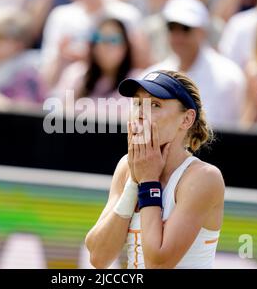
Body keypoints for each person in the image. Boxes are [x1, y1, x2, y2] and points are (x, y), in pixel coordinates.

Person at [85, 70, 225, 269]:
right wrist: (134, 183)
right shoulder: (127, 167)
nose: (141, 112)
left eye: (155, 105)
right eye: (138, 104)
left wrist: (149, 181)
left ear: (186, 119)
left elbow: (158, 264)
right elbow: (98, 257)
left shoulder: (203, 177)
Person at [147, 0, 246, 127]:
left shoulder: (228, 77)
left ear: (202, 31)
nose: (178, 36)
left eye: (185, 28)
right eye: (172, 28)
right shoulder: (152, 76)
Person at [40, 0, 148, 89]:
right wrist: (61, 57)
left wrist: (97, 59)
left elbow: (142, 67)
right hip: (70, 96)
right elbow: (46, 80)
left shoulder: (128, 15)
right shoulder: (60, 17)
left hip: (117, 97)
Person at [51, 18, 139, 101]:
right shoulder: (76, 75)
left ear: (126, 46)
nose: (105, 46)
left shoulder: (137, 80)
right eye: (99, 39)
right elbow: (60, 111)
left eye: (113, 40)